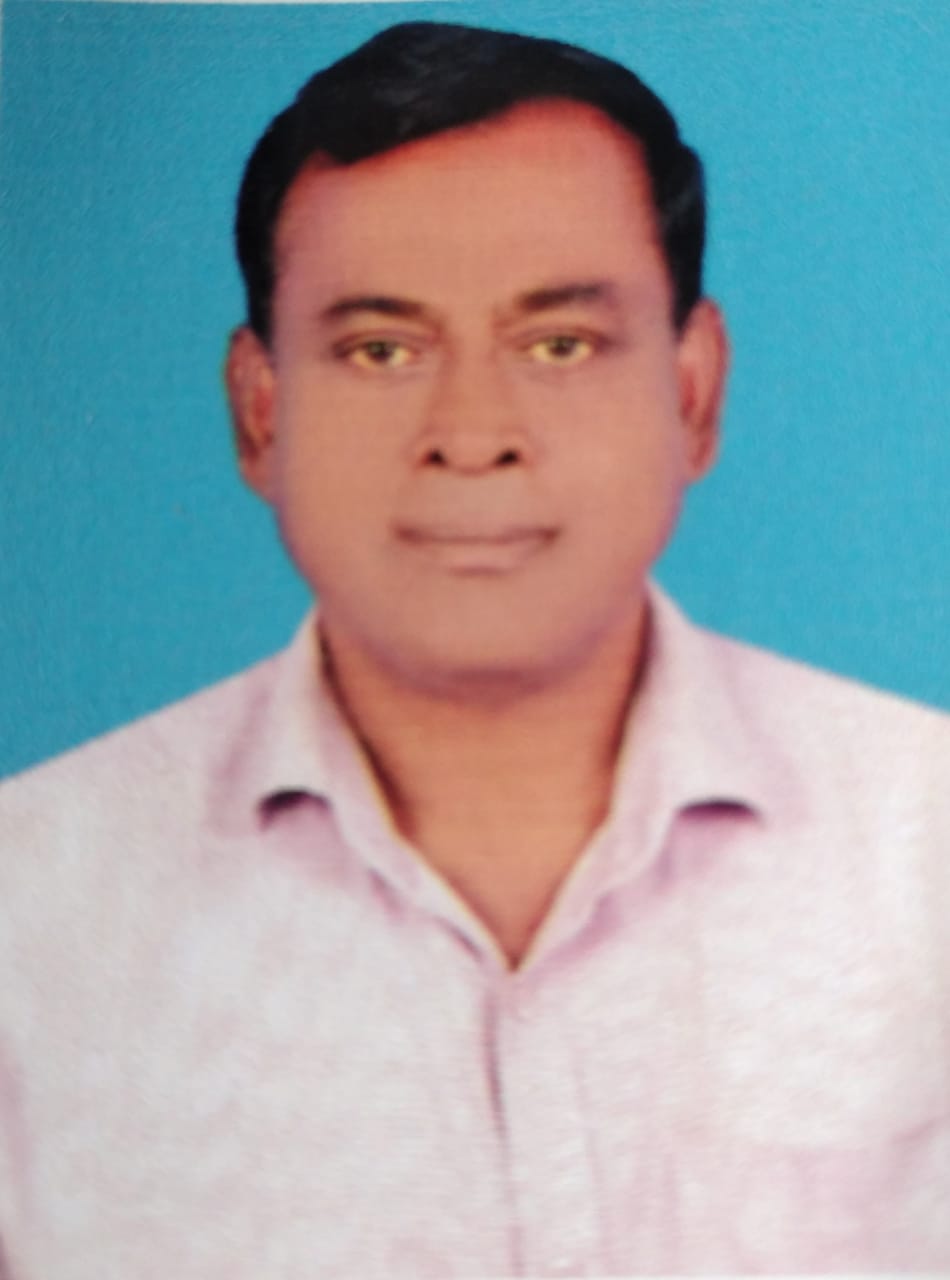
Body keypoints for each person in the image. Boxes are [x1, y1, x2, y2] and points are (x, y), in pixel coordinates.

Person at [0, 20, 948, 1278]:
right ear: (260, 411)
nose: (470, 433)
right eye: (380, 350)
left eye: (557, 344)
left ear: (690, 392)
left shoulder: (925, 843)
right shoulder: (32, 909)